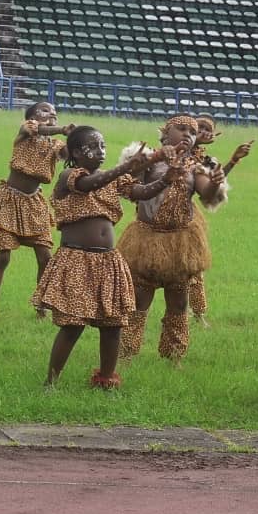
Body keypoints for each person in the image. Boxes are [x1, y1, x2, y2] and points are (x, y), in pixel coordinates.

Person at [34, 126, 166, 388]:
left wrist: (166, 178)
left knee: (113, 325)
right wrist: (125, 167)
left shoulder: (113, 178)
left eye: (103, 146)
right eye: (92, 147)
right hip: (76, 261)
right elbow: (90, 184)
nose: (100, 151)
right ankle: (50, 382)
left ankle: (106, 379)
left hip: (108, 261)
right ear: (74, 152)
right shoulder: (69, 176)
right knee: (73, 325)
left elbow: (141, 193)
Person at [117, 115, 227, 365]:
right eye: (181, 129)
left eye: (192, 131)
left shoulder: (194, 167)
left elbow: (206, 194)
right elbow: (128, 178)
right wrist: (157, 158)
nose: (187, 134)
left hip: (179, 244)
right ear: (165, 134)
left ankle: (174, 355)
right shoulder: (148, 159)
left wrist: (215, 184)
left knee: (178, 302)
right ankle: (126, 352)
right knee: (139, 300)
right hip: (146, 240)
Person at [0, 102, 74, 322]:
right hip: (10, 200)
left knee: (44, 256)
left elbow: (69, 152)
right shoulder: (26, 131)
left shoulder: (55, 144)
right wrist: (61, 129)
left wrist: (76, 137)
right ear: (32, 116)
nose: (51, 114)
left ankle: (41, 305)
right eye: (45, 111)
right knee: (3, 256)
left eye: (55, 113)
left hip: (34, 203)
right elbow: (37, 129)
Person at [186, 114, 253, 326]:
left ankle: (197, 313)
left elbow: (212, 184)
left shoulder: (206, 159)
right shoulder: (170, 149)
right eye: (200, 127)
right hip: (158, 215)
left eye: (208, 129)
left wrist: (233, 160)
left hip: (187, 217)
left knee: (194, 267)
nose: (204, 131)